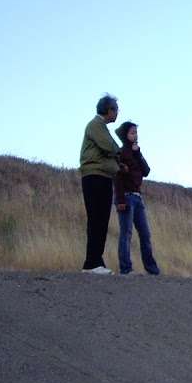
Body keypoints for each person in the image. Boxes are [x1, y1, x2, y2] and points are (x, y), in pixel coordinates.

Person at [79, 94, 122, 274]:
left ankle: (96, 261)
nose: (117, 113)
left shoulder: (102, 127)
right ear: (108, 109)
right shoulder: (96, 125)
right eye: (116, 109)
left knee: (101, 220)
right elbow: (109, 146)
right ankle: (92, 264)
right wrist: (117, 152)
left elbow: (112, 149)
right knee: (97, 219)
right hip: (94, 177)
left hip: (103, 177)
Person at [114, 121, 160, 275]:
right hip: (126, 197)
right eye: (132, 132)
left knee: (145, 234)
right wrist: (120, 200)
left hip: (138, 197)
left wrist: (138, 153)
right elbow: (117, 177)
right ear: (125, 135)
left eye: (136, 132)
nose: (135, 135)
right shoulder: (120, 154)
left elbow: (146, 171)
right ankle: (126, 269)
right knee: (126, 233)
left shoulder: (136, 153)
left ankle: (152, 270)